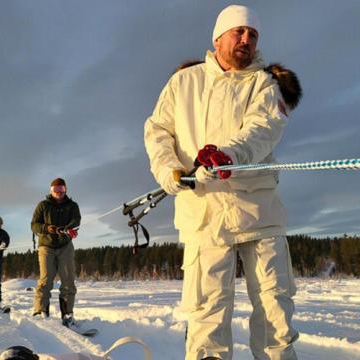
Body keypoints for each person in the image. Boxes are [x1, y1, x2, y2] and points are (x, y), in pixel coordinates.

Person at [144, 5, 300, 360]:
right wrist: (168, 170)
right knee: (206, 316)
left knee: (276, 312)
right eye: (239, 32)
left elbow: (264, 129)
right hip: (203, 214)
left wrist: (230, 154)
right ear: (218, 37)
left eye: (253, 34)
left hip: (259, 210)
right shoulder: (183, 83)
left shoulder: (264, 83)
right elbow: (157, 131)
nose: (247, 40)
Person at [31, 177, 81, 327]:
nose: (59, 193)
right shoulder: (43, 206)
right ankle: (41, 311)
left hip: (65, 246)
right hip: (46, 247)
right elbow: (34, 225)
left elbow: (76, 220)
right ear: (51, 191)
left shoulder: (72, 206)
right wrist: (47, 228)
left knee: (68, 281)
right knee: (45, 280)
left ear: (65, 190)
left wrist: (68, 228)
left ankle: (67, 314)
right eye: (56, 190)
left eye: (62, 189)